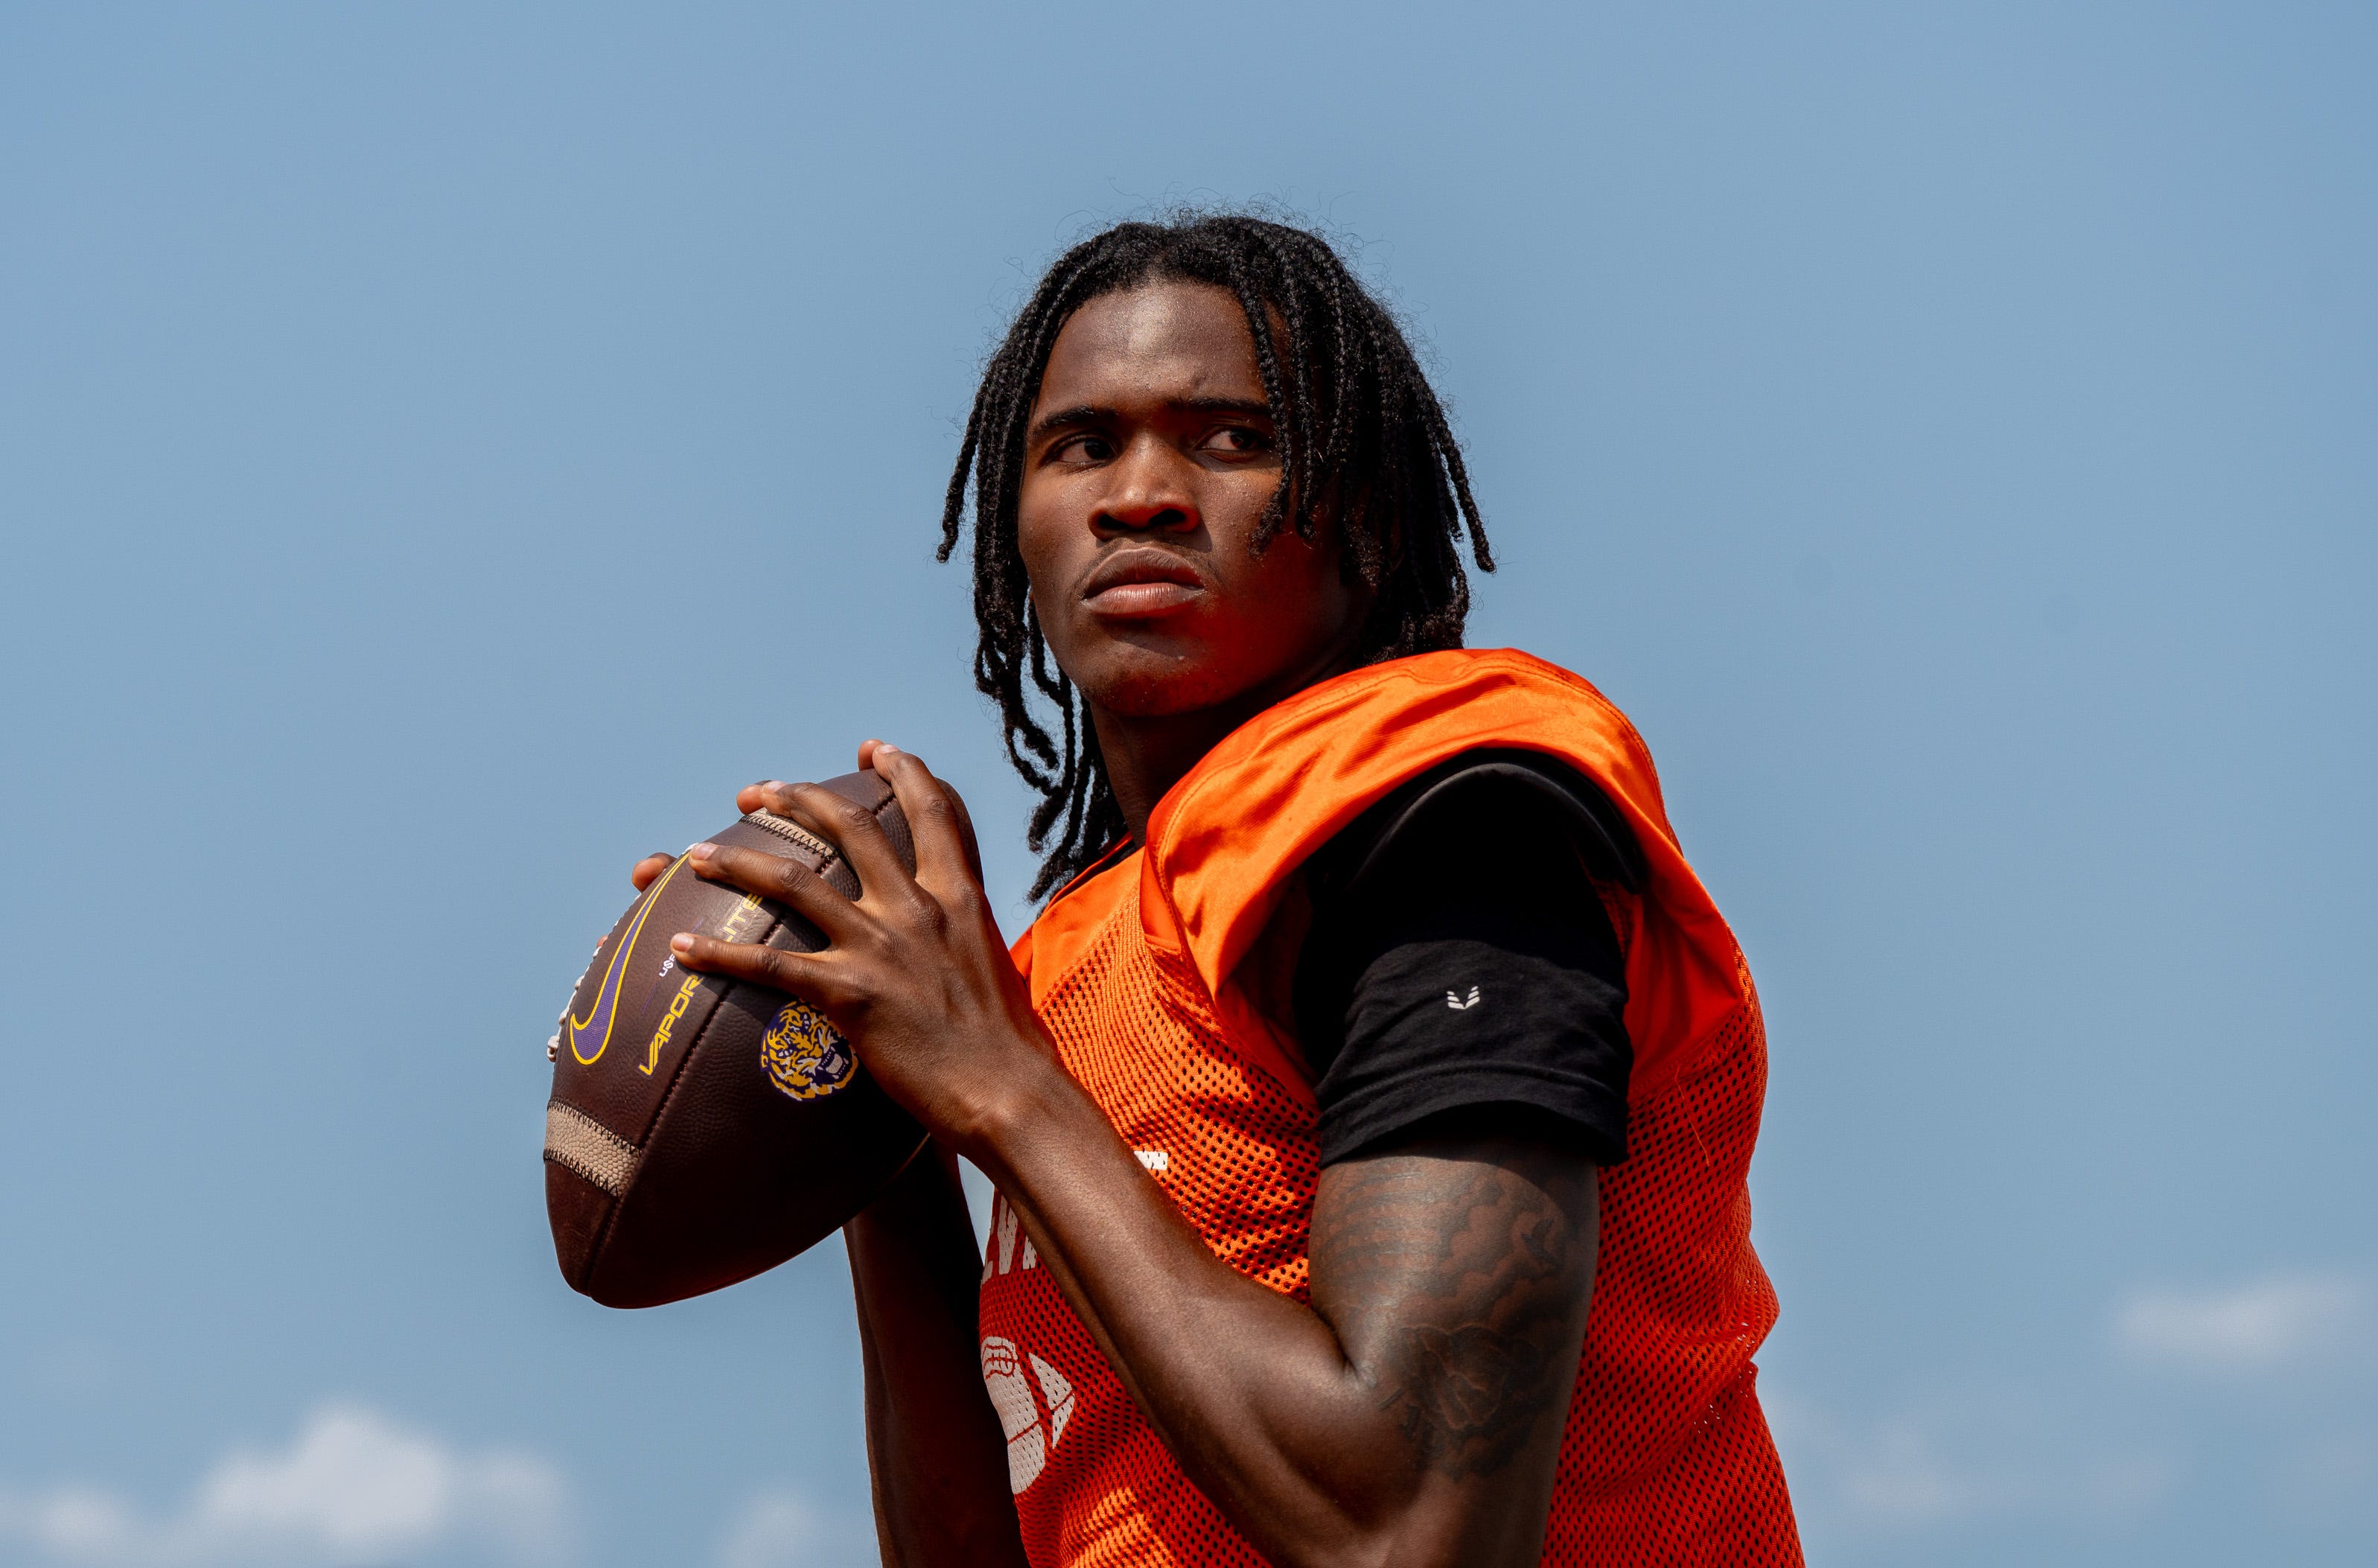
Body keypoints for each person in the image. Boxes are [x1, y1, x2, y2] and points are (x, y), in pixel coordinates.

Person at [637, 213, 1800, 1567]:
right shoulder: (1073, 974)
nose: (1142, 492)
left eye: (1233, 437)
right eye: (1081, 445)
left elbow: (1412, 1529)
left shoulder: (1446, 824)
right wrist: (874, 1151)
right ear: (1017, 529)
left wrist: (996, 1089)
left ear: (1376, 513)